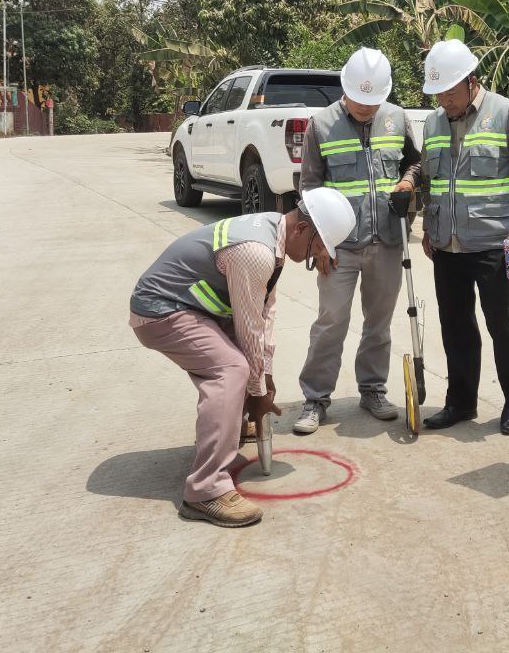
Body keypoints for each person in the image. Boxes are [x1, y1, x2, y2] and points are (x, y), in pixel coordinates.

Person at [127, 188, 356, 527]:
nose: (319, 255)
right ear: (302, 229)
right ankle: (205, 492)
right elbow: (249, 328)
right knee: (231, 369)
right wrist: (258, 392)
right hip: (161, 312)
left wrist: (267, 376)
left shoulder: (272, 238)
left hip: (193, 308)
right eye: (319, 246)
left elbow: (264, 315)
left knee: (247, 366)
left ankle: (231, 423)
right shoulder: (255, 252)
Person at [418, 39, 509, 435]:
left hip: (494, 244)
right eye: (438, 93)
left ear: (471, 81)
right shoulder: (433, 122)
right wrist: (428, 227)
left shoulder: (507, 113)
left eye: (450, 92)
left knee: (502, 323)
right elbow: (431, 180)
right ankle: (460, 403)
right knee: (455, 326)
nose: (445, 100)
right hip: (448, 246)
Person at [293, 47, 421, 434]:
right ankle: (316, 398)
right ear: (345, 89)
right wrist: (317, 240)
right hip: (339, 245)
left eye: (374, 102)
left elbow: (415, 163)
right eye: (359, 101)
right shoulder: (321, 125)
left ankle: (372, 389)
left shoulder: (397, 118)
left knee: (379, 323)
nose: (366, 108)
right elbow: (310, 187)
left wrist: (408, 181)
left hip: (387, 239)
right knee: (331, 321)